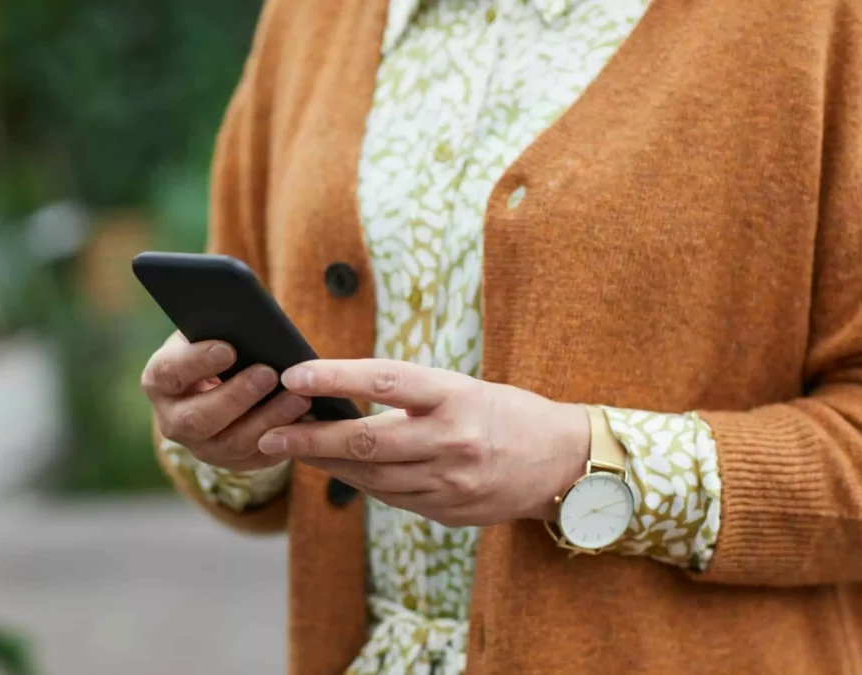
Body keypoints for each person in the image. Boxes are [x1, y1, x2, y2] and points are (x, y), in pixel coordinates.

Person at [140, 0, 862, 672]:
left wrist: (581, 461)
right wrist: (231, 427)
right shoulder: (311, 17)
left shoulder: (819, 23)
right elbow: (244, 333)